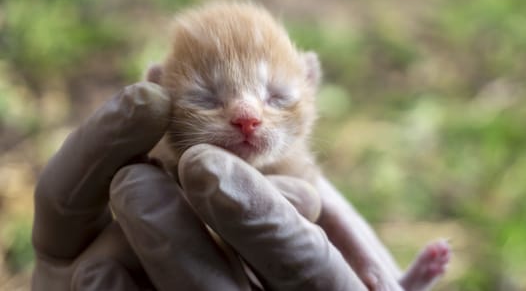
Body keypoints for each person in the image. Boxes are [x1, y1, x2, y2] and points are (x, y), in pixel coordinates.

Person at [31, 82, 367, 291]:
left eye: (277, 97)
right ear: (158, 81)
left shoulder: (302, 170)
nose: (248, 116)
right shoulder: (156, 168)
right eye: (204, 98)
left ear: (310, 80)